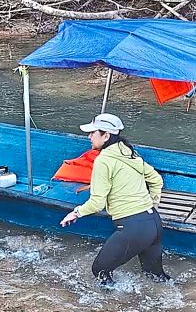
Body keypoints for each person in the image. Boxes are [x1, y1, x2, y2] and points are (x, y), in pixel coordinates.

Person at [60, 113, 170, 285]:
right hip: (153, 222)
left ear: (106, 135)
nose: (89, 136)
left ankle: (110, 310)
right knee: (156, 277)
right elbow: (156, 180)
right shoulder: (129, 153)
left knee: (100, 270)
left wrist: (76, 213)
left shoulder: (103, 160)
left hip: (133, 226)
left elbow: (97, 203)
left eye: (93, 133)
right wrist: (152, 204)